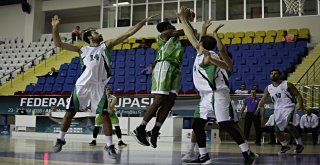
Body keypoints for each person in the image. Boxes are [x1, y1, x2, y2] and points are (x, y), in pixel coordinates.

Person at [51, 14, 156, 158]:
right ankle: (60, 139)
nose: (99, 34)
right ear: (89, 37)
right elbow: (58, 44)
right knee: (70, 113)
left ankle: (110, 145)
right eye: (95, 32)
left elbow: (128, 33)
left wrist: (143, 22)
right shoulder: (82, 50)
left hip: (99, 87)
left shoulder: (106, 46)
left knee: (105, 116)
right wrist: (55, 28)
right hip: (81, 85)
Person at [178, 7, 256, 164]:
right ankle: (203, 156)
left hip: (218, 94)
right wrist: (182, 18)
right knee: (197, 125)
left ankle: (247, 153)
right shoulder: (201, 51)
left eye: (198, 41)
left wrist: (214, 59)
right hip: (207, 96)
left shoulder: (208, 56)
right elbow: (189, 34)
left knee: (225, 124)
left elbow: (227, 65)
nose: (196, 41)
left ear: (201, 44)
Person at [132, 9, 194, 149]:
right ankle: (140, 127)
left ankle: (155, 130)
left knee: (170, 101)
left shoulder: (176, 41)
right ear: (165, 29)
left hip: (176, 69)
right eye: (170, 25)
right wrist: (185, 19)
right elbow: (185, 31)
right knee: (159, 98)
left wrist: (187, 21)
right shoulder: (164, 35)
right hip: (163, 66)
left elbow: (192, 33)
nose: (173, 26)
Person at [257, 68, 304, 154]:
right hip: (277, 110)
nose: (273, 75)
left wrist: (300, 105)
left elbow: (298, 95)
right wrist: (259, 107)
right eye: (271, 73)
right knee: (277, 131)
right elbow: (263, 99)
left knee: (290, 126)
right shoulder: (268, 88)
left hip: (289, 107)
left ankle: (299, 144)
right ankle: (284, 145)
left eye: (275, 73)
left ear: (279, 75)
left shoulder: (287, 84)